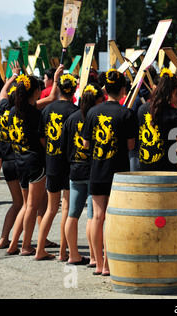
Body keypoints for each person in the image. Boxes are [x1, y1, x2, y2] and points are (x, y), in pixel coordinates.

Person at [81, 69, 138, 275]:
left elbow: (86, 143)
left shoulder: (93, 112)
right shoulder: (127, 113)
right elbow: (131, 146)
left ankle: (97, 263)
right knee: (112, 218)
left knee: (97, 217)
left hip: (97, 169)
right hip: (119, 173)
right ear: (123, 89)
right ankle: (107, 264)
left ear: (105, 89)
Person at [6, 70, 60, 256]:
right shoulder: (36, 114)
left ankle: (14, 244)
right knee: (31, 206)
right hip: (35, 163)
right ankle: (26, 246)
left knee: (26, 205)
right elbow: (43, 142)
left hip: (19, 161)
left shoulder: (13, 111)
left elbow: (49, 98)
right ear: (36, 93)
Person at [35, 73, 79, 261]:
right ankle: (63, 252)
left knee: (51, 209)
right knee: (66, 208)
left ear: (59, 88)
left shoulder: (47, 109)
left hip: (51, 161)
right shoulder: (76, 112)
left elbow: (42, 137)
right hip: (68, 164)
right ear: (75, 90)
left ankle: (39, 249)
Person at [63, 83, 105, 267]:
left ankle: (73, 254)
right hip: (92, 169)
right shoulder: (97, 118)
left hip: (75, 169)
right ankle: (95, 257)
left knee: (72, 214)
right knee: (91, 216)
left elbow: (64, 146)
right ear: (96, 100)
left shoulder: (71, 119)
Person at [138, 68, 177, 172]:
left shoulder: (141, 109)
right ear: (174, 91)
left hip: (144, 168)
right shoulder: (174, 114)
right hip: (167, 169)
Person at [0, 64, 23, 249]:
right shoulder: (23, 113)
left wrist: (13, 77)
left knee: (17, 203)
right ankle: (17, 241)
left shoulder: (4, 109)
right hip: (21, 162)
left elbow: (2, 93)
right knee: (29, 205)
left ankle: (4, 238)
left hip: (6, 163)